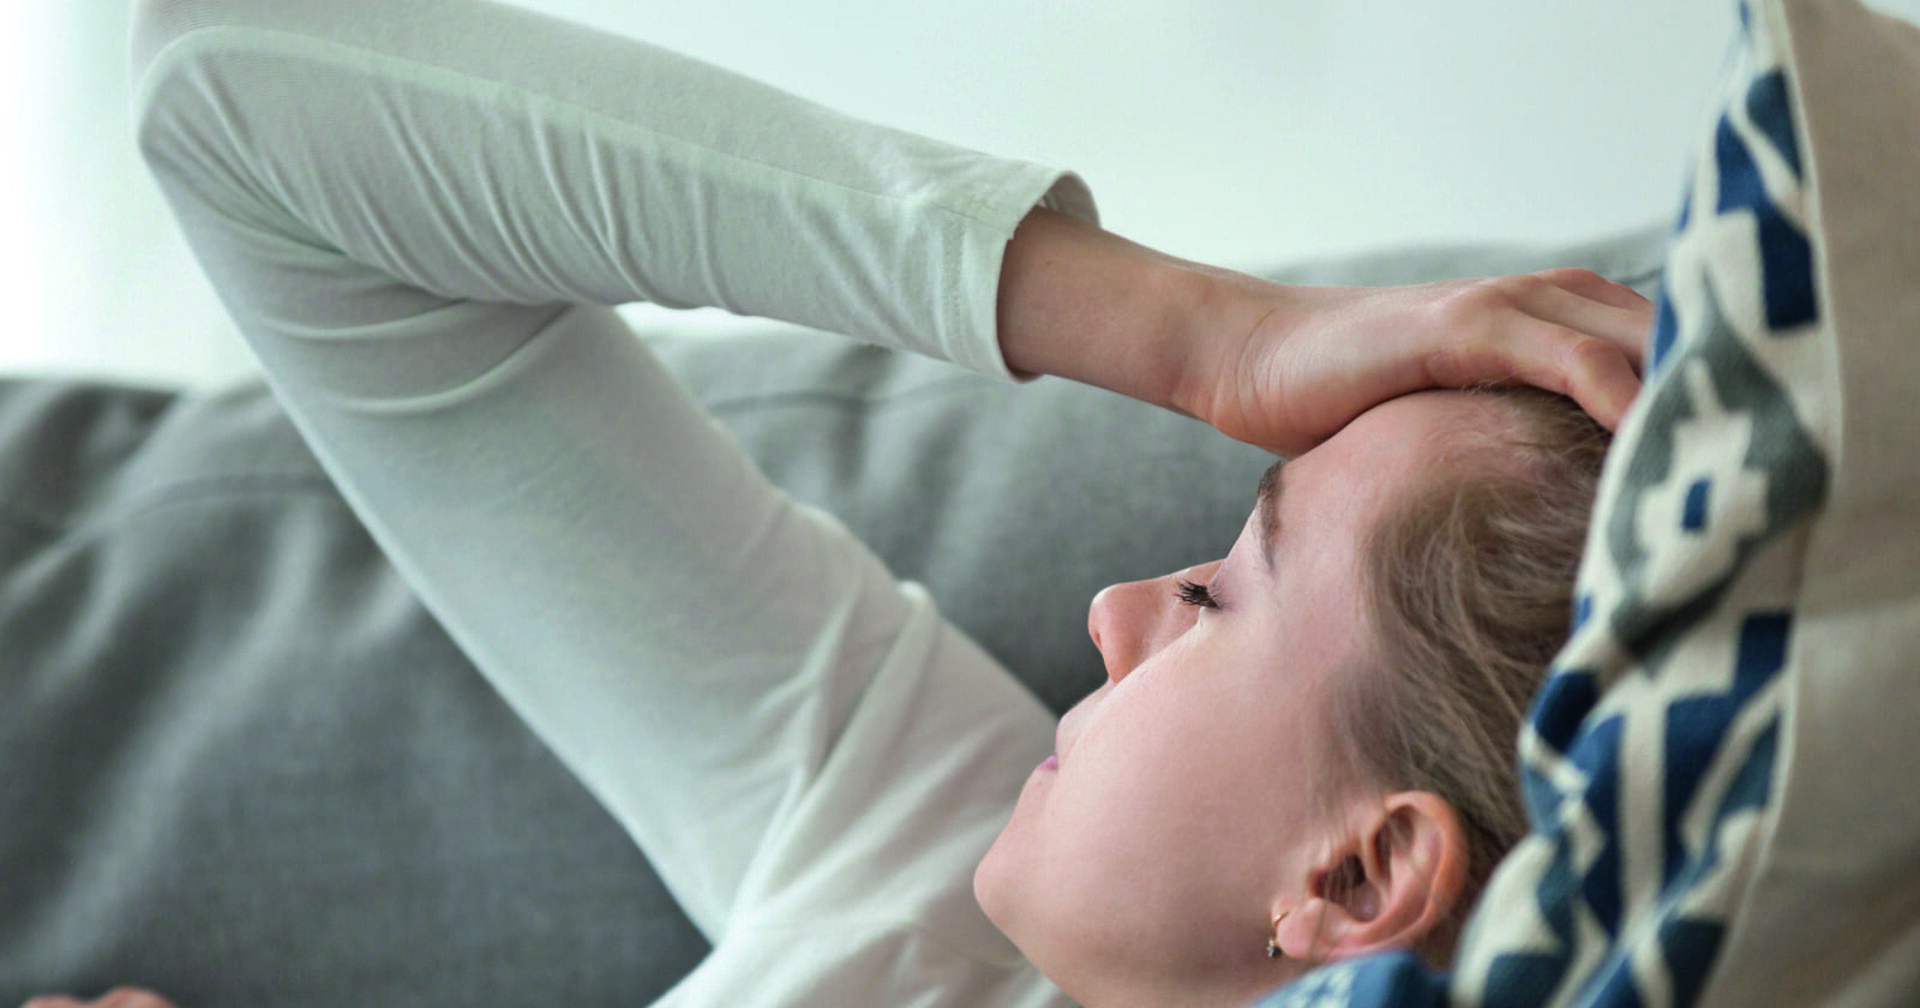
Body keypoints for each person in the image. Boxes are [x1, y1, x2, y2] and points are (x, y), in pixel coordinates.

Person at [28, 0, 1648, 1004]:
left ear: (1357, 879)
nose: (1110, 610)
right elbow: (229, 93)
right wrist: (1209, 333)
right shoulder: (908, 863)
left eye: (1218, 598)